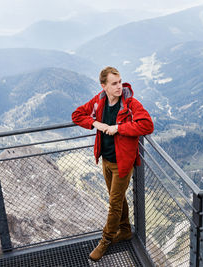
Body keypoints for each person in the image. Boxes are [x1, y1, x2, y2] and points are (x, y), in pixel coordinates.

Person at [72, 66, 154, 261]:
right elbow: (77, 115)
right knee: (116, 198)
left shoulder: (130, 103)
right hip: (106, 160)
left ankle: (105, 240)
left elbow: (147, 125)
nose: (119, 87)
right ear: (104, 86)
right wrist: (96, 124)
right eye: (114, 84)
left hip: (122, 163)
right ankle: (125, 230)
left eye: (120, 82)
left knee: (114, 203)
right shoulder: (98, 101)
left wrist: (118, 128)